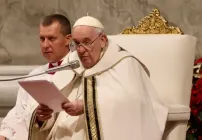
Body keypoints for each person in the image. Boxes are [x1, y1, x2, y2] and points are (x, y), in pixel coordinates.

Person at [28, 16, 169, 140]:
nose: (81, 49)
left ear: (102, 40)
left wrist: (87, 106)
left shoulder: (124, 62)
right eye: (77, 43)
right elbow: (56, 109)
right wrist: (43, 117)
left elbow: (135, 104)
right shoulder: (72, 62)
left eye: (87, 42)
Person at [0, 14, 72, 140]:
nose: (45, 45)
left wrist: (43, 118)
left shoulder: (79, 72)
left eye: (51, 38)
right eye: (42, 39)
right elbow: (19, 112)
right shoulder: (35, 75)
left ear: (68, 39)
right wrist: (4, 134)